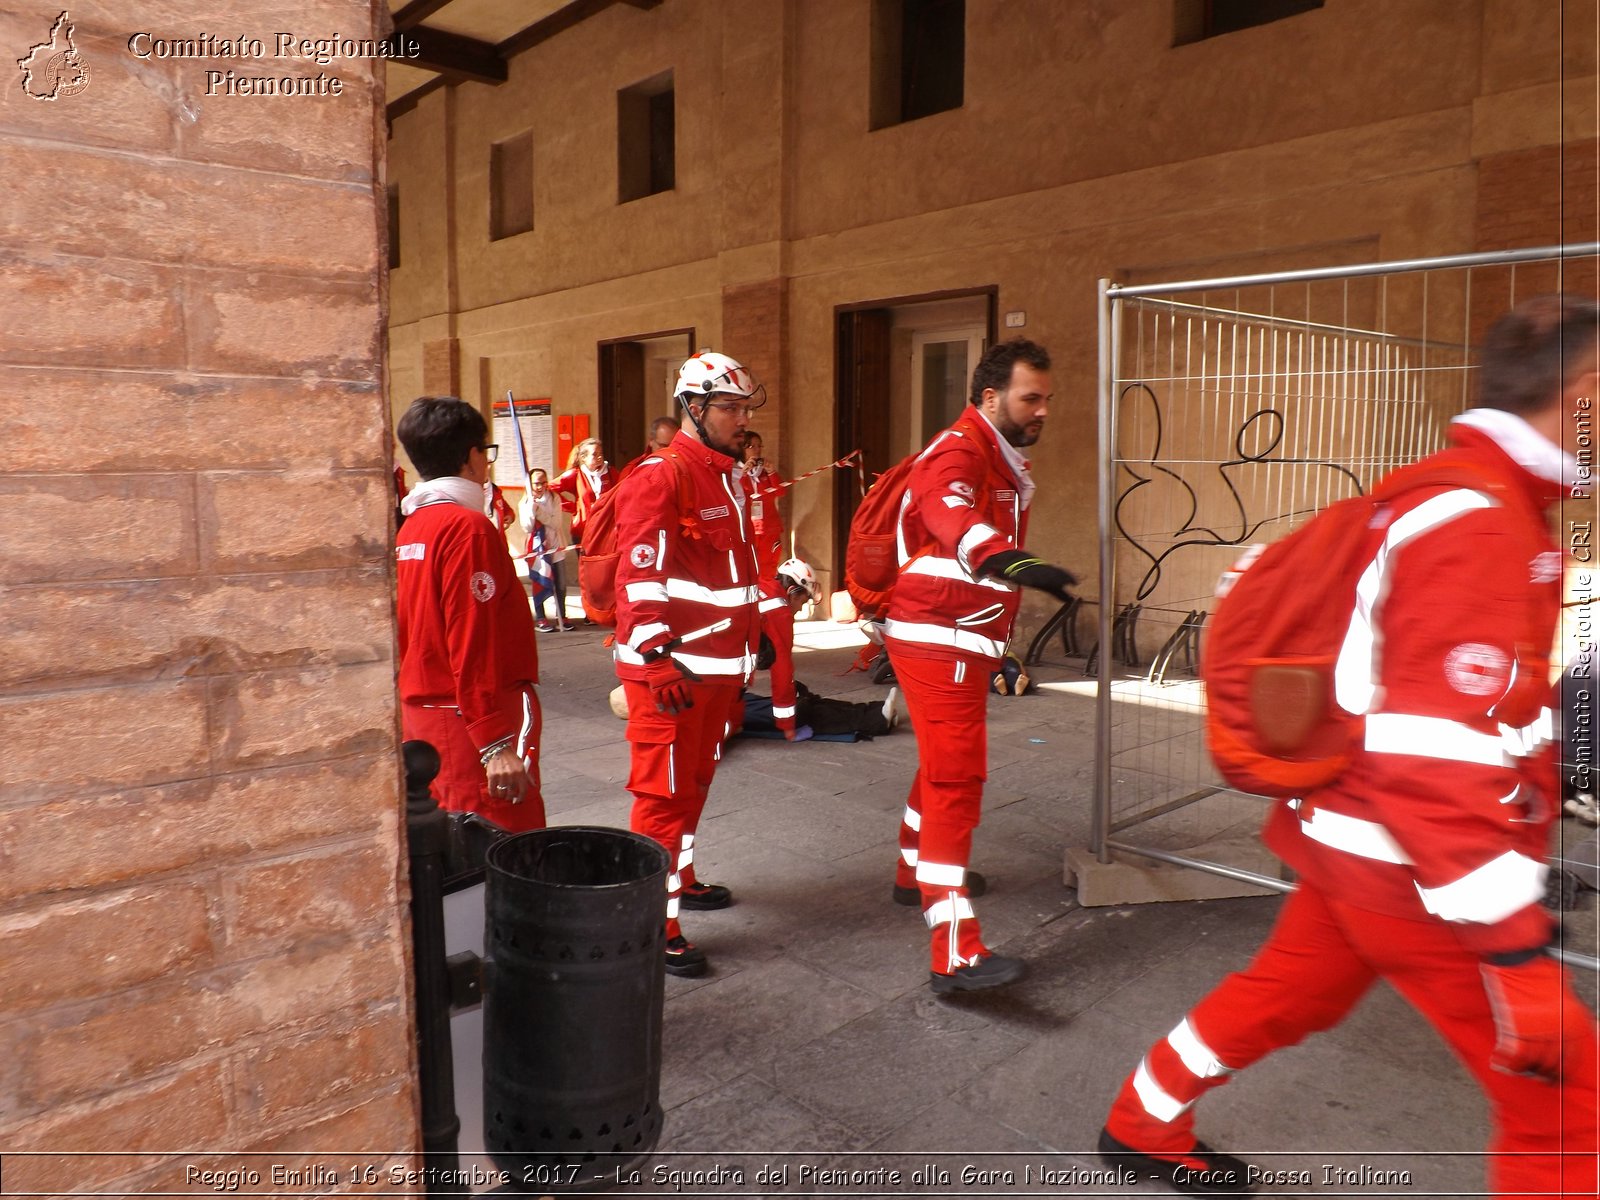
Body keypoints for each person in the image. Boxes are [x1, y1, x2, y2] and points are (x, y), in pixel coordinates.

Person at [1098, 295, 1600, 1198]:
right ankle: (1142, 1121)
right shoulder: (1486, 519)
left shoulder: (1467, 493)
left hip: (1353, 835)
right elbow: (1432, 749)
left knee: (1293, 994)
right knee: (1565, 1102)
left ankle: (1142, 1119)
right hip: (1408, 864)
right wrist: (1516, 949)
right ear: (1584, 396)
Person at [885, 338, 1077, 994]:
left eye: (1047, 398)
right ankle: (954, 950)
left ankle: (915, 874)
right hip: (940, 637)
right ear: (991, 397)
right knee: (956, 782)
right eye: (1031, 397)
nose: (1043, 410)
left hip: (955, 636)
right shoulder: (961, 450)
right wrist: (1015, 562)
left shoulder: (995, 454)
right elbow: (950, 514)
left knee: (941, 767)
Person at [611, 351, 764, 977]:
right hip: (673, 676)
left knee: (693, 788)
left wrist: (753, 649)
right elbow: (639, 576)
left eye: (744, 408)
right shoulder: (662, 476)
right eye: (729, 407)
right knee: (662, 799)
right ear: (694, 410)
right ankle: (654, 922)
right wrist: (655, 658)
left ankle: (684, 880)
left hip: (717, 672)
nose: (740, 419)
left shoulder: (727, 476)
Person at [394, 397, 545, 833]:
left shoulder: (415, 525)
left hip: (431, 717)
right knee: (500, 847)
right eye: (486, 451)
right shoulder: (467, 527)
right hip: (467, 722)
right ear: (472, 457)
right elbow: (472, 638)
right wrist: (493, 742)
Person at [518, 467, 573, 632]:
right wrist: (531, 510)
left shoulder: (554, 498)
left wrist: (540, 513)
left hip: (555, 546)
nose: (540, 486)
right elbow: (527, 527)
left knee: (561, 584)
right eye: (536, 483)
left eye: (543, 482)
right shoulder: (525, 502)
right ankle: (541, 618)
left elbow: (556, 524)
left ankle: (561, 615)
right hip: (537, 548)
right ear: (530, 484)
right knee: (540, 581)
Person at [737, 431, 786, 580]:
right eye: (751, 446)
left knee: (767, 571)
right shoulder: (736, 472)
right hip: (748, 529)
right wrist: (743, 473)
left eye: (759, 446)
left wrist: (772, 472)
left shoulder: (765, 473)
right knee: (746, 568)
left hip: (769, 529)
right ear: (742, 449)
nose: (756, 450)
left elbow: (781, 492)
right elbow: (737, 494)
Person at [555, 437, 613, 547]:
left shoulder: (610, 473)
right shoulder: (576, 475)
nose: (599, 456)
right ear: (583, 457)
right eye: (595, 454)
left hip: (606, 529)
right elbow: (550, 488)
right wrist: (572, 507)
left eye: (601, 453)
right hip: (583, 530)